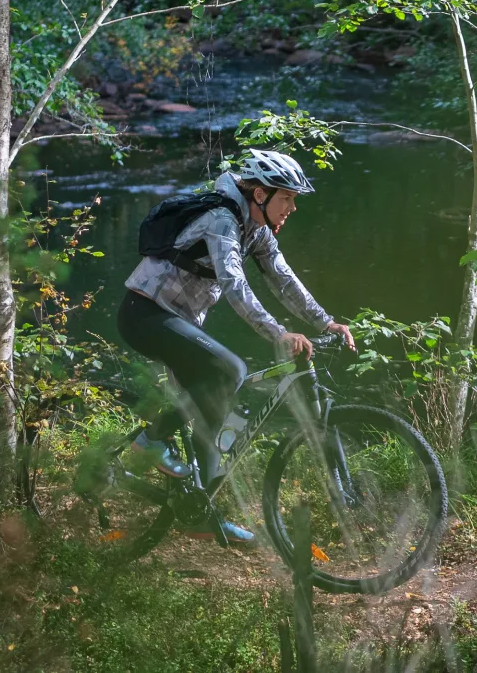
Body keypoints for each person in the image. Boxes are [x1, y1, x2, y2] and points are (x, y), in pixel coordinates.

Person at [116, 149, 355, 542]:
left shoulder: (256, 229)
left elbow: (282, 278)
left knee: (218, 403)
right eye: (287, 198)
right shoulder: (222, 220)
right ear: (259, 194)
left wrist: (324, 321)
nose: (292, 207)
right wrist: (278, 332)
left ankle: (200, 516)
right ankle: (150, 441)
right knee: (231, 370)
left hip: (179, 321)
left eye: (294, 199)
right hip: (145, 315)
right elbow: (233, 283)